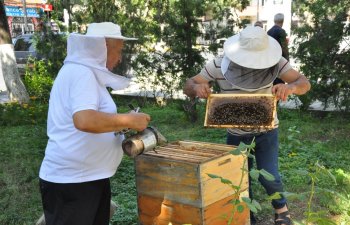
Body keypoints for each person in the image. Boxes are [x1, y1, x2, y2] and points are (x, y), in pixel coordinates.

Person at [183, 26, 310, 225]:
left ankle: (281, 210)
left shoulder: (277, 63)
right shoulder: (217, 65)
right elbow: (188, 84)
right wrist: (196, 87)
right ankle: (246, 215)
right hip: (236, 133)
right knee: (239, 179)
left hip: (266, 131)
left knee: (270, 176)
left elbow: (304, 82)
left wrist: (290, 87)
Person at [38, 22, 151, 225]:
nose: (120, 57)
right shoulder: (82, 73)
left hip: (89, 178)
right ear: (103, 48)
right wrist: (129, 119)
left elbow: (93, 120)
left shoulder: (86, 74)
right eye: (119, 50)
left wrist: (121, 124)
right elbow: (84, 120)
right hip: (72, 183)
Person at [268, 13, 289, 86]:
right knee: (279, 88)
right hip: (279, 63)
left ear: (274, 21)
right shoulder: (281, 32)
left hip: (269, 64)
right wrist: (287, 63)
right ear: (283, 21)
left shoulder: (268, 32)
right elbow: (284, 49)